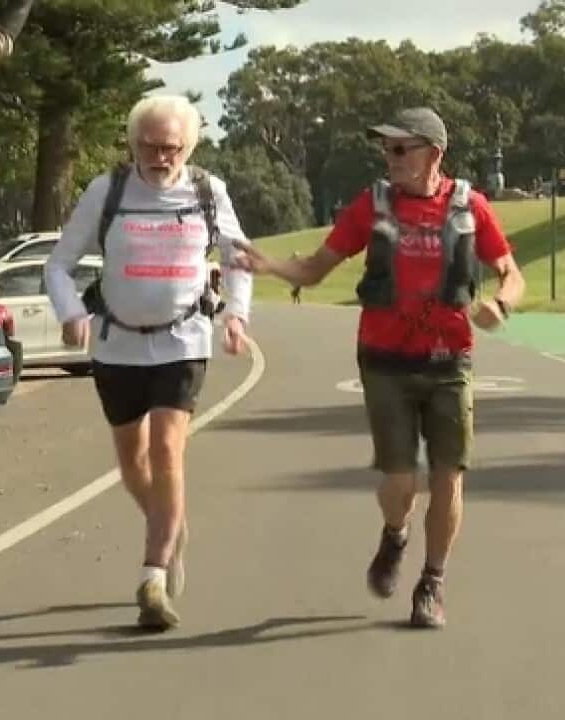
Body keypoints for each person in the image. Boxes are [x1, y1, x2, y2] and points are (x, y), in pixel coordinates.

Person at [232, 107, 525, 629]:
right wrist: (271, 265)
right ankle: (395, 535)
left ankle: (432, 583)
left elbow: (511, 274)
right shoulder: (372, 205)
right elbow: (317, 268)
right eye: (385, 150)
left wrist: (500, 306)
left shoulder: (471, 206)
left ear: (434, 154)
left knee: (448, 476)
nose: (389, 159)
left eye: (399, 149)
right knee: (399, 479)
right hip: (385, 359)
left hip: (449, 361)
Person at [44, 95, 254, 631]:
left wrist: (236, 315)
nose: (161, 158)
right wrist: (71, 313)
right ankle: (171, 525)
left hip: (183, 340)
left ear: (188, 146)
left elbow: (238, 258)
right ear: (132, 143)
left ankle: (153, 573)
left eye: (171, 148)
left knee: (166, 449)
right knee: (132, 463)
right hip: (117, 345)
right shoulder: (107, 190)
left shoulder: (208, 191)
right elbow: (59, 265)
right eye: (149, 147)